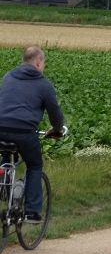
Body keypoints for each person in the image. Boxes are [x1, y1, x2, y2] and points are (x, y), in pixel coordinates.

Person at [0, 46, 64, 223]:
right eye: (43, 63)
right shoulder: (44, 84)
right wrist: (57, 129)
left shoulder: (8, 76)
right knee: (35, 165)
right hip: (24, 132)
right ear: (38, 62)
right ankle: (32, 212)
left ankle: (4, 188)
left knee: (6, 154)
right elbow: (55, 113)